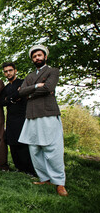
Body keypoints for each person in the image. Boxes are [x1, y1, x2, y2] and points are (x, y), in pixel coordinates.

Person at [18, 45, 68, 196]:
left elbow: (48, 88)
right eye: (34, 56)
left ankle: (59, 182)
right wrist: (35, 86)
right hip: (32, 114)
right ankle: (45, 178)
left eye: (39, 55)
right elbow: (20, 93)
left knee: (53, 149)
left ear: (45, 57)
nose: (37, 58)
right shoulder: (29, 76)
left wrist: (30, 92)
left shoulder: (53, 71)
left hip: (48, 113)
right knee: (35, 149)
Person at [0, 62, 36, 175]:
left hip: (23, 116)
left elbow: (23, 94)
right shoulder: (5, 88)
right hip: (10, 117)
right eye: (6, 71)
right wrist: (15, 96)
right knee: (12, 142)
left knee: (23, 143)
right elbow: (1, 102)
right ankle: (19, 168)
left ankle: (29, 170)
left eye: (10, 70)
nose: (8, 73)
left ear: (15, 71)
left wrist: (10, 98)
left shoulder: (23, 82)